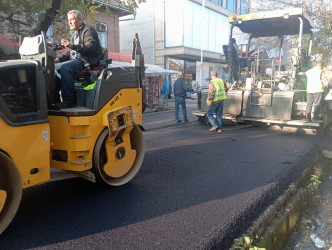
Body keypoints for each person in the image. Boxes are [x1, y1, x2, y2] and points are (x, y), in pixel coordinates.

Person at [54, 10, 103, 108]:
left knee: (66, 68)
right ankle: (54, 100)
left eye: (72, 19)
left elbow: (90, 47)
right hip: (77, 61)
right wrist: (57, 60)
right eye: (69, 20)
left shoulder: (89, 30)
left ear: (80, 20)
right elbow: (69, 53)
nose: (69, 22)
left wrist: (72, 46)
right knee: (52, 69)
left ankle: (69, 100)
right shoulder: (75, 34)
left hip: (87, 61)